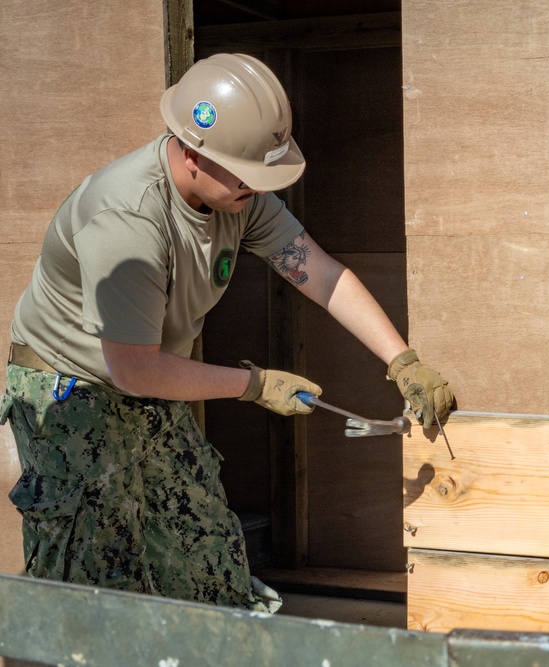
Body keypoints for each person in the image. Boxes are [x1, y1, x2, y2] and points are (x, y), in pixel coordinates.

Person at [0, 53, 453, 612]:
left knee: (207, 556)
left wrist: (402, 360)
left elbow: (319, 272)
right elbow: (134, 369)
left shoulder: (237, 196)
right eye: (247, 173)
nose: (256, 187)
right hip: (75, 394)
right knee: (93, 586)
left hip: (151, 381)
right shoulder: (127, 219)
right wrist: (255, 385)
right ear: (192, 152)